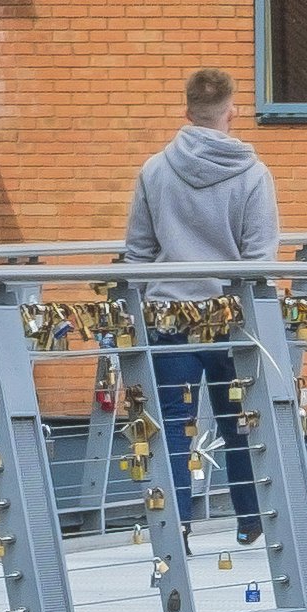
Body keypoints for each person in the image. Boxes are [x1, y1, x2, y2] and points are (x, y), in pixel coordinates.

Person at [121, 69, 281, 540]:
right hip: (232, 322)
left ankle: (176, 527)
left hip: (170, 319)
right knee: (242, 422)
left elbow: (138, 251)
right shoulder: (253, 175)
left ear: (187, 112)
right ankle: (253, 519)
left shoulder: (155, 169)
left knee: (173, 424)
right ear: (233, 110)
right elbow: (259, 260)